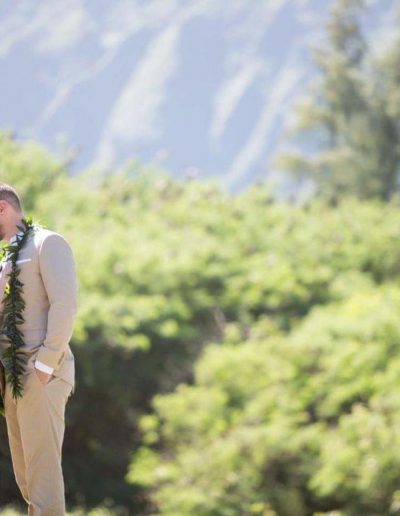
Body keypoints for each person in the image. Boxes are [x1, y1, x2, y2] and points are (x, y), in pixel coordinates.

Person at [0, 183, 78, 515]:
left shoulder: (48, 243)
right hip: (12, 378)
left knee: (43, 483)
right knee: (28, 480)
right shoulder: (5, 256)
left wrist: (45, 365)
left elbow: (65, 305)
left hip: (40, 374)